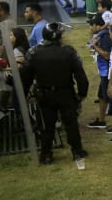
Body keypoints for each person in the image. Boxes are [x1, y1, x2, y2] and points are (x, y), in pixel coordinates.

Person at [19, 22, 90, 168]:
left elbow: (25, 75)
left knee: (45, 126)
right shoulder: (69, 52)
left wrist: (25, 93)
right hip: (66, 93)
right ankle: (77, 151)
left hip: (44, 95)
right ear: (58, 37)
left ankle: (46, 155)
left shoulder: (34, 52)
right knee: (71, 124)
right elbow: (80, 75)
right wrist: (81, 94)